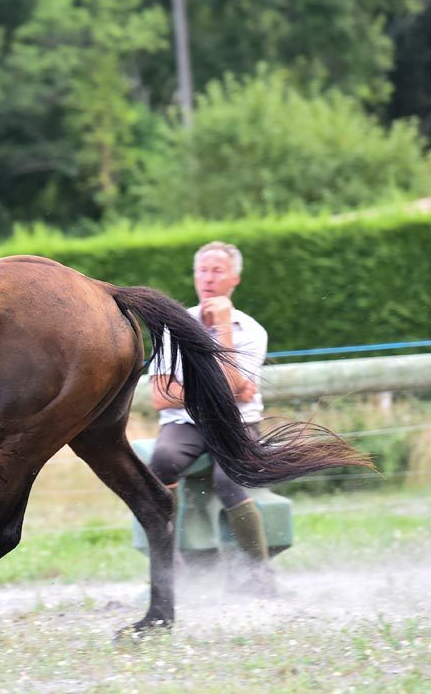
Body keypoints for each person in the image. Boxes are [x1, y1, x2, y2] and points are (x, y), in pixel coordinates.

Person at [148, 241, 276, 596]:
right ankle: (168, 569)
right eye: (202, 270)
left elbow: (236, 386)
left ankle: (258, 572)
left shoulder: (251, 331)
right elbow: (160, 396)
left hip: (238, 423)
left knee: (229, 478)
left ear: (234, 279)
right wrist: (223, 393)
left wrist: (222, 326)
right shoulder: (173, 327)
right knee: (161, 462)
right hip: (184, 423)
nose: (207, 278)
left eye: (217, 270)